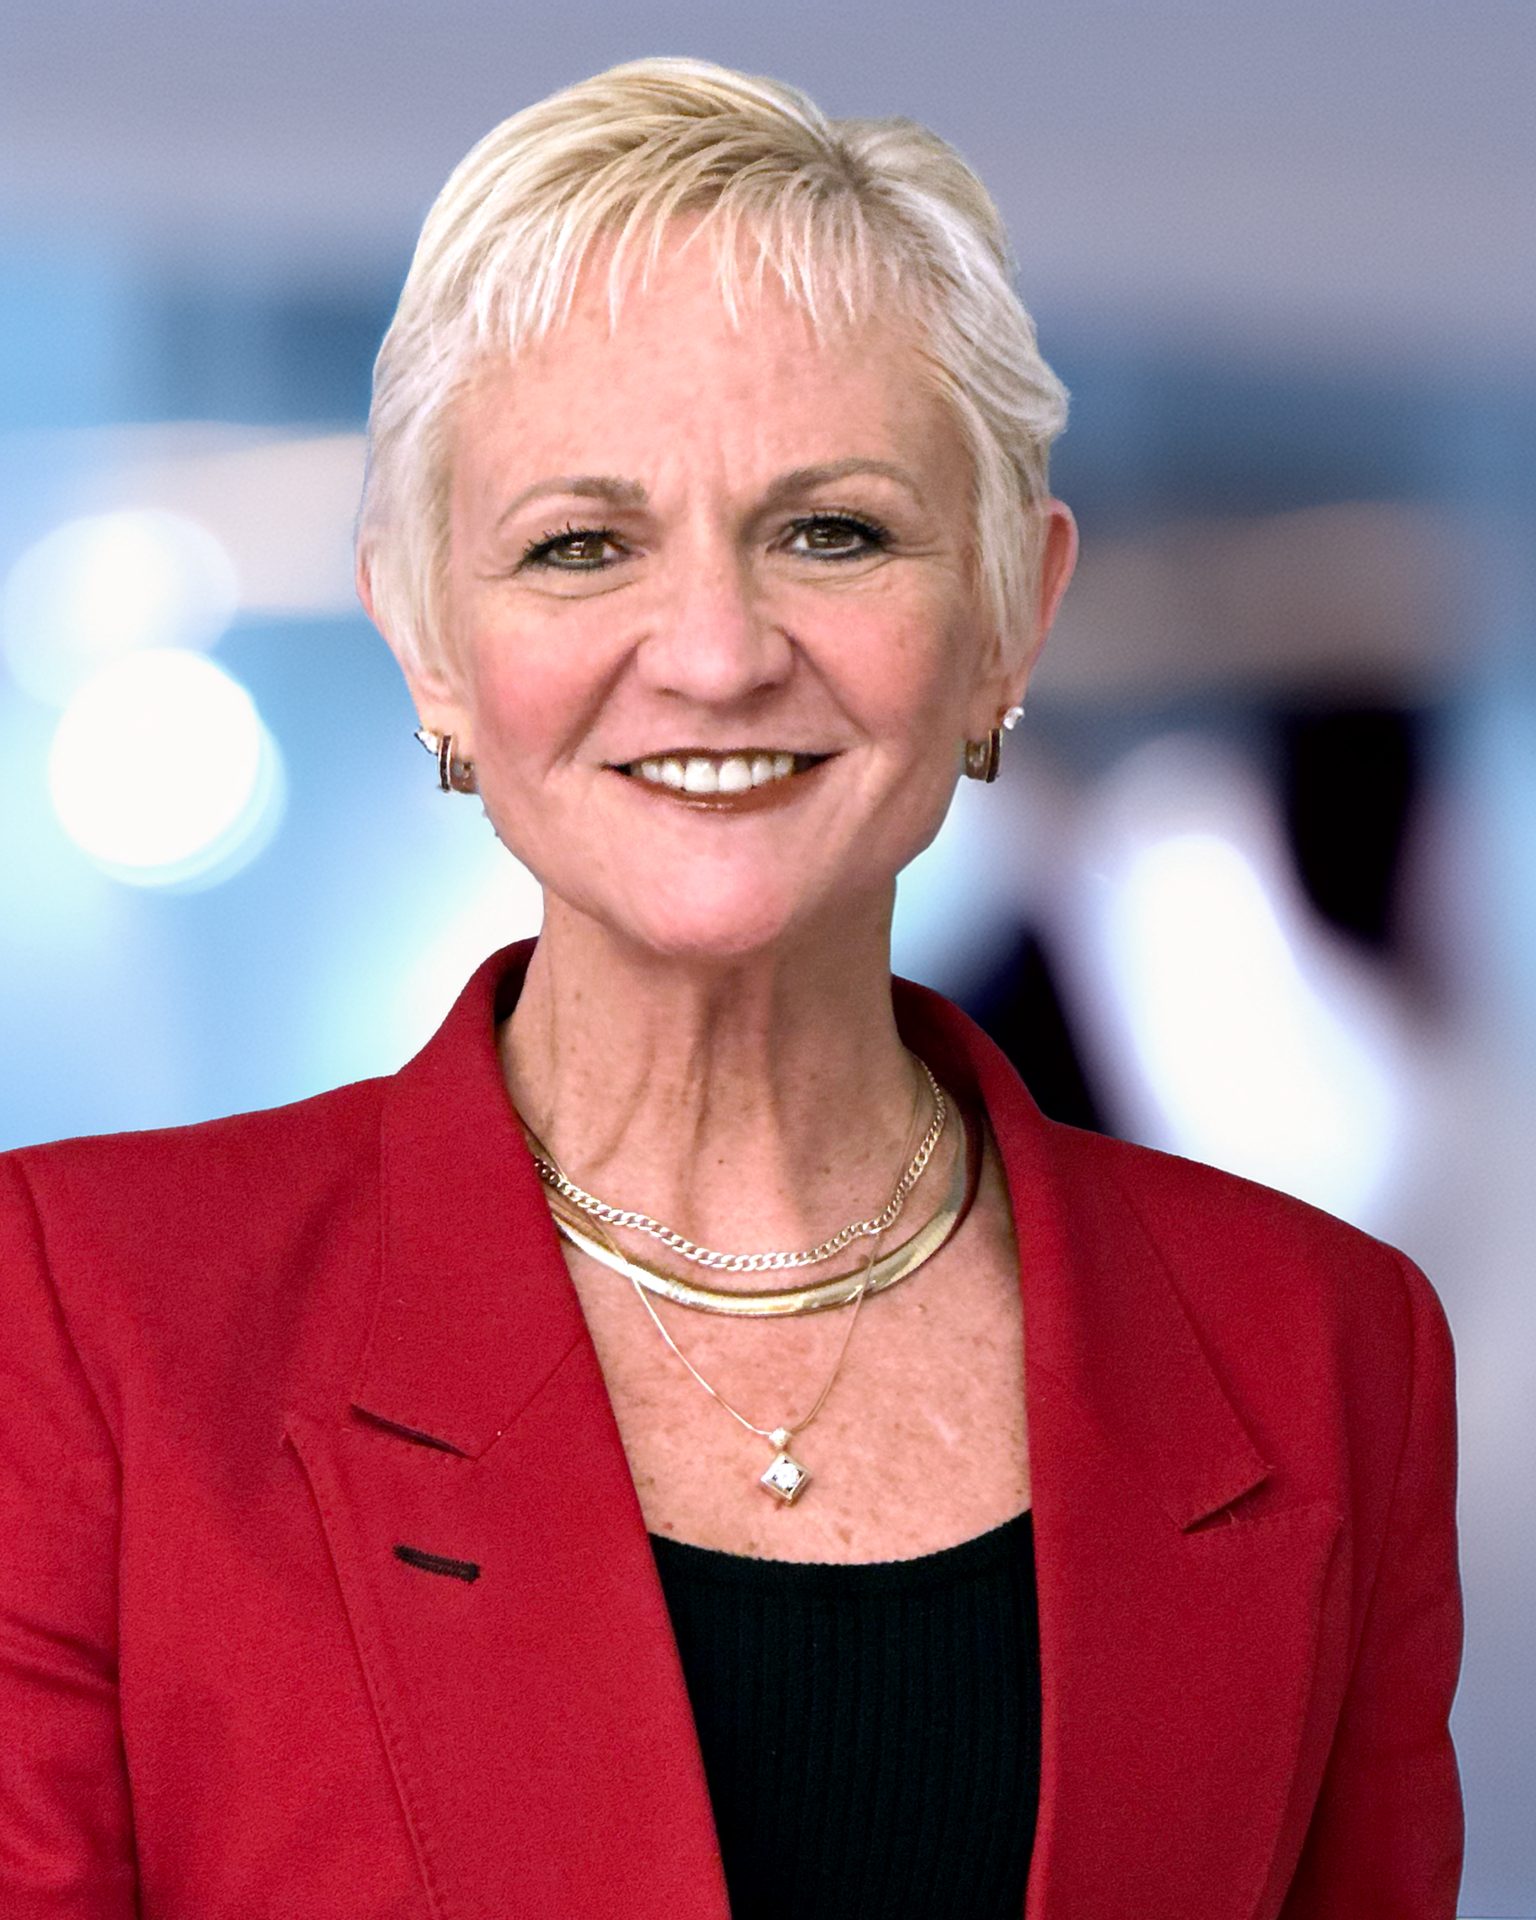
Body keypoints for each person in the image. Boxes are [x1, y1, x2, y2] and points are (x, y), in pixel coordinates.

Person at [0, 56, 1462, 1920]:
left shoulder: (1327, 1354)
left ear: (1011, 616)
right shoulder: (87, 1323)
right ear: (429, 641)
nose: (710, 653)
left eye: (831, 531)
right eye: (581, 546)